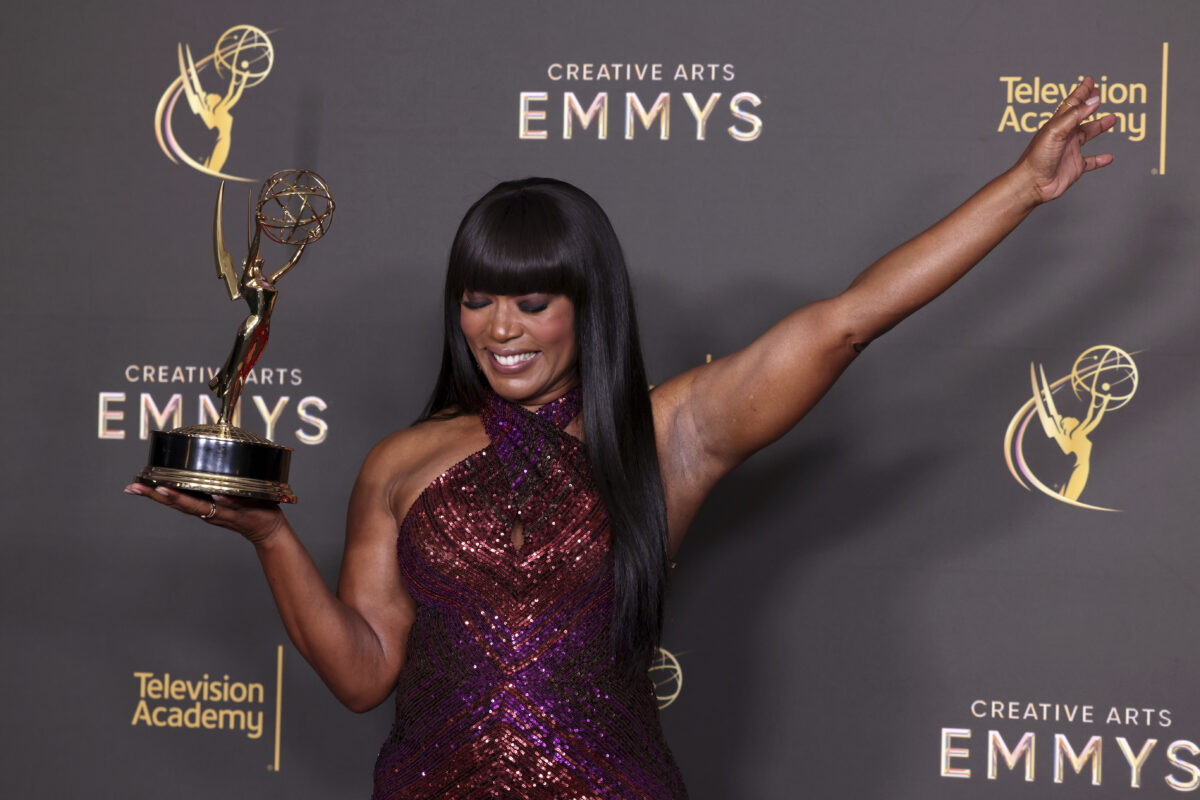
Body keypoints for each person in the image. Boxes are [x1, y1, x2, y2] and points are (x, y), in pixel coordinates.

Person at [126, 78, 1115, 799]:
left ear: (585, 305)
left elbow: (847, 319)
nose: (500, 327)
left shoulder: (666, 433)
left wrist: (1022, 188)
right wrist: (269, 537)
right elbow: (362, 673)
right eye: (477, 299)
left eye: (531, 299)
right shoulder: (400, 460)